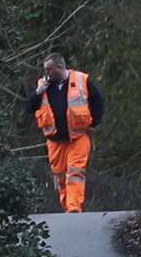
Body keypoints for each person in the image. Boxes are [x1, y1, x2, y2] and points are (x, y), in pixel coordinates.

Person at [26, 53, 106, 213]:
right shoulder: (43, 85)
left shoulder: (81, 80)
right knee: (60, 176)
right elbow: (29, 109)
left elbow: (98, 101)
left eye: (49, 69)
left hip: (78, 137)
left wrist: (93, 124)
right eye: (45, 69)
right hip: (55, 141)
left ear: (60, 67)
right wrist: (38, 92)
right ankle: (67, 209)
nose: (46, 73)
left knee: (75, 172)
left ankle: (74, 208)